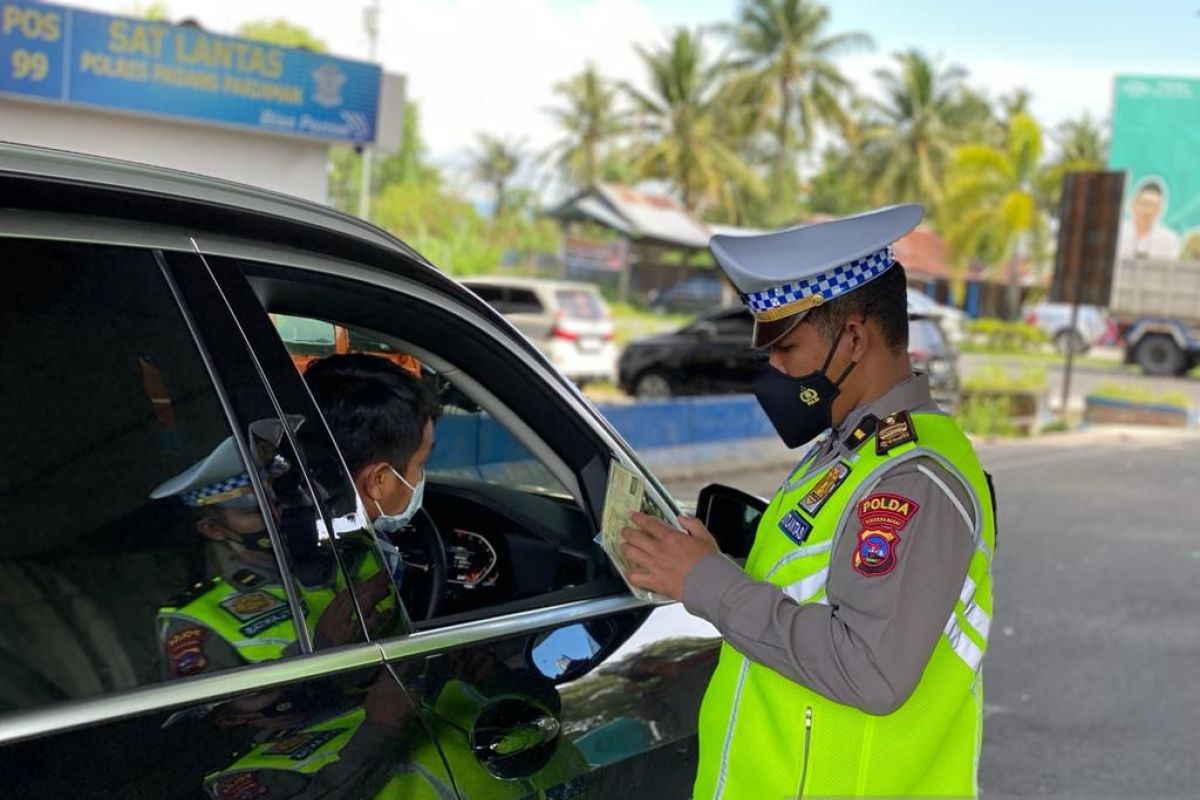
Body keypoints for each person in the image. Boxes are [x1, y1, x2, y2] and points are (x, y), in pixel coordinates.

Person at [620, 205, 997, 798]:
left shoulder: (912, 479)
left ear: (852, 338)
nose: (772, 367)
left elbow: (869, 669)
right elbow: (804, 595)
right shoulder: (847, 450)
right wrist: (715, 569)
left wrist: (709, 583)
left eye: (786, 347)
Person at [303, 353, 441, 585]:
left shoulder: (250, 518)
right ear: (378, 480)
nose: (420, 479)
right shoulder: (370, 569)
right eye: (420, 465)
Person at [1117, 179, 1181, 259]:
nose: (1148, 211)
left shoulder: (1169, 239)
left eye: (1154, 205)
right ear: (1133, 204)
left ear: (1160, 210)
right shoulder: (1117, 231)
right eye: (1144, 203)